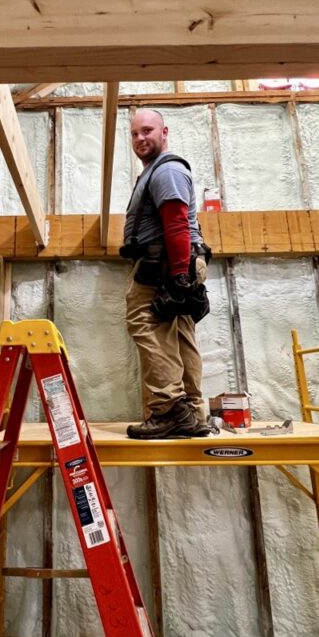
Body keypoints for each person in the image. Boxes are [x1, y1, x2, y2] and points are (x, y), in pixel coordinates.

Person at [121, 109, 211, 440]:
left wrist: (176, 277)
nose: (140, 138)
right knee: (178, 332)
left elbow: (174, 222)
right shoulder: (160, 171)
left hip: (164, 265)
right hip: (176, 263)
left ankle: (169, 411)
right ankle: (193, 412)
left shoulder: (166, 170)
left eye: (147, 130)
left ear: (164, 131)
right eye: (134, 134)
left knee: (147, 324)